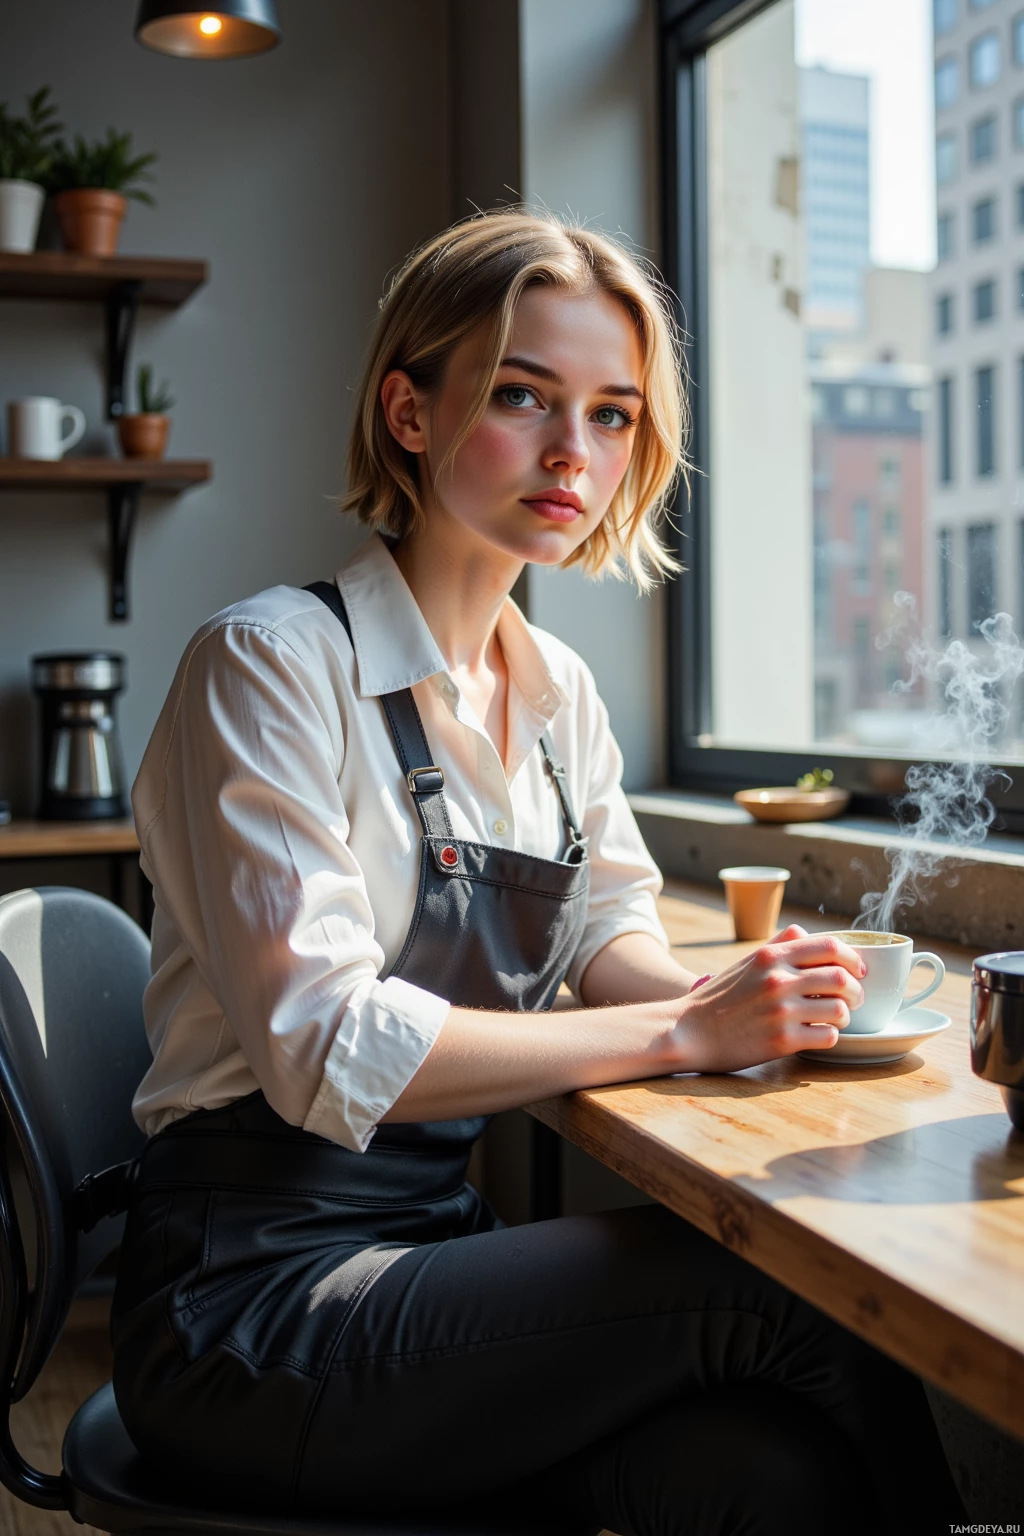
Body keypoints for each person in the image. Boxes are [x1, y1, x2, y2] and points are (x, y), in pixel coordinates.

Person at [112, 209, 963, 1535]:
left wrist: (758, 995)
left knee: (768, 1477)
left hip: (428, 1258)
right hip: (252, 1307)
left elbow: (601, 929)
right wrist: (683, 1028)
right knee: (780, 1297)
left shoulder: (554, 686)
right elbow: (322, 1046)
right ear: (409, 411)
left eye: (615, 414)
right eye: (522, 396)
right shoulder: (272, 663)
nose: (578, 452)